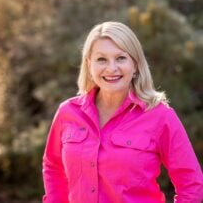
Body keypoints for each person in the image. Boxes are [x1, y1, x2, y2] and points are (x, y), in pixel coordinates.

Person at [42, 21, 203, 203]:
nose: (111, 68)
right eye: (101, 59)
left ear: (135, 64)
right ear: (89, 64)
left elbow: (191, 183)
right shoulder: (68, 112)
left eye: (120, 58)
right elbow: (53, 167)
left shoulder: (159, 115)